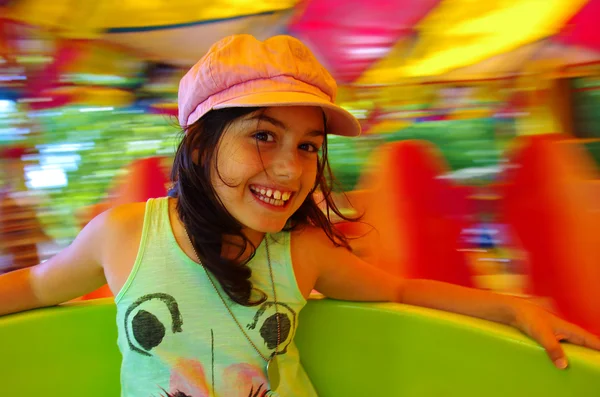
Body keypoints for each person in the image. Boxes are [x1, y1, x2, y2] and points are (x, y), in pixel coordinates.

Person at [0, 34, 598, 397]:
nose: (290, 170)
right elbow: (33, 284)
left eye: (308, 146)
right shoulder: (124, 235)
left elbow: (400, 287)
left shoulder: (299, 250)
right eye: (263, 136)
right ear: (201, 144)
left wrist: (512, 306)